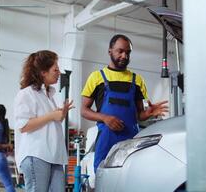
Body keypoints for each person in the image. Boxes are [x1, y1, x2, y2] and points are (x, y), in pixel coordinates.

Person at [81, 34, 168, 172]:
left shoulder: (137, 80)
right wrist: (105, 118)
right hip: (106, 139)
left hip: (131, 140)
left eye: (128, 52)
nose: (124, 56)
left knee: (130, 176)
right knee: (103, 177)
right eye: (120, 51)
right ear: (110, 51)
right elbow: (84, 110)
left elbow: (140, 115)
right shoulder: (96, 77)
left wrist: (149, 113)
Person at [13, 50, 74, 192]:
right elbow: (23, 126)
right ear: (43, 72)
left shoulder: (48, 95)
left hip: (54, 155)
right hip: (37, 154)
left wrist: (61, 114)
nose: (59, 72)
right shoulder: (26, 94)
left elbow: (49, 123)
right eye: (55, 69)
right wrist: (52, 116)